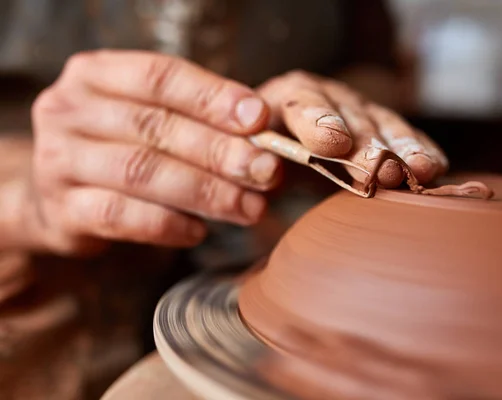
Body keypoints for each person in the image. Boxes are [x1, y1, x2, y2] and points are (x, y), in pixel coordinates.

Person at [0, 1, 447, 399]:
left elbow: (372, 65)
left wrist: (341, 111)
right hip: (37, 284)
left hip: (267, 277)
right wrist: (26, 193)